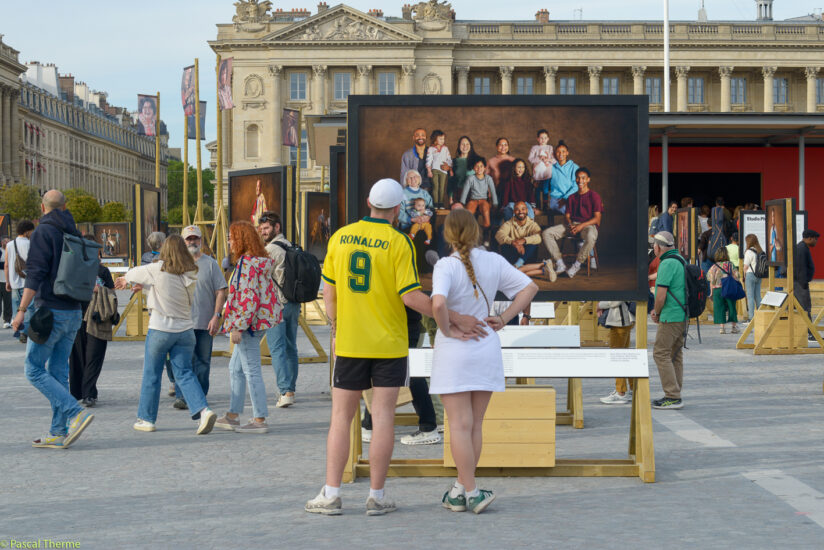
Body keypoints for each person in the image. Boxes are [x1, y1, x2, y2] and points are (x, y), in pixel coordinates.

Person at [305, 178, 486, 516]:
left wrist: (335, 326)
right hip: (389, 342)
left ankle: (331, 494)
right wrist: (452, 314)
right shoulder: (398, 241)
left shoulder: (340, 237)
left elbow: (328, 292)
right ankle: (377, 495)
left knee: (340, 418)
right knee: (384, 416)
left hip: (349, 342)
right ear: (396, 209)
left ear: (369, 203)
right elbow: (409, 296)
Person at [431, 208, 538, 514]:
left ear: (448, 235)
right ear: (476, 231)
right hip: (486, 346)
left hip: (454, 351)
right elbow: (531, 287)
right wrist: (504, 318)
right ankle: (460, 490)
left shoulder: (445, 266)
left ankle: (473, 491)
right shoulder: (493, 260)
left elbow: (438, 303)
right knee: (474, 425)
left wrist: (448, 327)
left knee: (459, 426)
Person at [12, 190, 94, 448]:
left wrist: (21, 310)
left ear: (42, 208)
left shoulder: (43, 232)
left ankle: (75, 412)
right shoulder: (73, 231)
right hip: (73, 312)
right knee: (58, 372)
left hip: (50, 311)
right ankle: (58, 431)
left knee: (33, 369)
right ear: (65, 207)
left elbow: (35, 273)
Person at [115, 234, 218, 435]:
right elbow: (167, 288)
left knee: (152, 374)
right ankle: (204, 411)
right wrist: (145, 286)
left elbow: (135, 272)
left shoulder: (157, 269)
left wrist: (124, 279)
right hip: (186, 331)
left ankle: (147, 418)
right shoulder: (191, 272)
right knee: (185, 373)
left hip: (161, 329)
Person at [214, 221, 280, 433]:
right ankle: (233, 414)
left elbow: (247, 299)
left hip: (247, 325)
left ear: (241, 240)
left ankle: (259, 419)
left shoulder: (246, 264)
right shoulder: (260, 261)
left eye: (232, 238)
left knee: (251, 371)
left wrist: (237, 326)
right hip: (258, 321)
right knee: (235, 368)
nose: (230, 243)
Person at [170, 226, 228, 409]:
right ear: (183, 241)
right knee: (181, 361)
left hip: (204, 323)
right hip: (181, 323)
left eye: (195, 238)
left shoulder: (210, 264)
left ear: (201, 241)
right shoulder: (175, 264)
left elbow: (221, 291)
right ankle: (182, 396)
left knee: (202, 361)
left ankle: (200, 395)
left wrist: (216, 316)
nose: (192, 242)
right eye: (188, 239)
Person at [259, 211, 301, 408]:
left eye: (267, 228)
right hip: (293, 303)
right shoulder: (291, 245)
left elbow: (261, 276)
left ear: (277, 227)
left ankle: (284, 391)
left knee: (277, 349)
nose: (264, 232)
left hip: (276, 304)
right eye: (262, 229)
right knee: (291, 346)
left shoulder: (270, 250)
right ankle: (290, 388)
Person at [69, 234, 115, 408]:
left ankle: (89, 393)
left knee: (93, 357)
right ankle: (78, 392)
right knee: (77, 356)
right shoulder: (73, 270)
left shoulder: (102, 271)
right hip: (77, 317)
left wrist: (100, 290)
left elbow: (111, 293)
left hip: (98, 318)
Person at [541, 167, 602, 280]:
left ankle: (576, 265)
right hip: (572, 225)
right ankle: (560, 263)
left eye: (583, 178)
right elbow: (567, 216)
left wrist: (580, 226)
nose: (580, 180)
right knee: (546, 233)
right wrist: (570, 225)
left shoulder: (594, 196)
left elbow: (597, 219)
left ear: (588, 179)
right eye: (578, 178)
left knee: (591, 236)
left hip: (587, 226)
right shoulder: (571, 197)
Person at [650, 231, 686, 410]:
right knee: (675, 354)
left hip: (670, 315)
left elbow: (661, 295)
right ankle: (676, 392)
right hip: (683, 315)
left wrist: (656, 312)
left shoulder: (666, 264)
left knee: (660, 353)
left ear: (657, 247)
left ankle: (672, 395)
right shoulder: (680, 260)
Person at [597, 301, 635, 404]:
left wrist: (599, 305)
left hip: (619, 321)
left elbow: (615, 301)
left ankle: (621, 392)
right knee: (625, 356)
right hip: (625, 320)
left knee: (617, 357)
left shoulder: (623, 284)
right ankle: (632, 389)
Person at [6, 220, 34, 343]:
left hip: (14, 282)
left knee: (16, 307)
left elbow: (7, 264)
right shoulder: (30, 244)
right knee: (29, 308)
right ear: (27, 231)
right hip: (28, 282)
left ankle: (18, 331)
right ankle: (25, 332)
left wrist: (8, 281)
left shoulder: (9, 244)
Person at [460, 157, 498, 246]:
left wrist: (495, 203)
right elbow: (465, 191)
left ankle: (486, 236)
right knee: (469, 212)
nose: (479, 168)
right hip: (473, 200)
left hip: (483, 200)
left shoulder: (488, 178)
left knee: (485, 210)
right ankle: (469, 237)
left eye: (481, 166)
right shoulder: (471, 178)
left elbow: (493, 191)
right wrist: (462, 202)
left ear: (485, 168)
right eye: (476, 166)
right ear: (473, 168)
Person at [495, 202, 541, 268]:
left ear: (527, 210)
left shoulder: (532, 224)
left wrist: (524, 240)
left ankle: (518, 264)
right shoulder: (509, 223)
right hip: (513, 255)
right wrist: (513, 242)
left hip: (527, 257)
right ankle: (518, 266)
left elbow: (539, 237)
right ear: (514, 211)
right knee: (504, 243)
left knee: (534, 243)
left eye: (523, 209)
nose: (520, 212)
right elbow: (499, 234)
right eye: (517, 210)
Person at [707, 248, 740, 334]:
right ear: (726, 254)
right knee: (732, 307)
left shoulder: (713, 267)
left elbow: (711, 281)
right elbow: (737, 276)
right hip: (728, 288)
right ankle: (734, 327)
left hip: (717, 290)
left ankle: (722, 328)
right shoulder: (730, 265)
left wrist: (711, 293)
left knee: (719, 308)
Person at [794, 229, 819, 341]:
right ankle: (809, 332)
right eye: (815, 239)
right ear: (809, 238)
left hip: (801, 283)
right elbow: (801, 268)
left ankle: (807, 331)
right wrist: (803, 283)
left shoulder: (803, 247)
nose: (816, 241)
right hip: (800, 284)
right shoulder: (802, 249)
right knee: (805, 308)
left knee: (803, 308)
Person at [546, 140, 579, 214]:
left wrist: (566, 198)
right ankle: (573, 225)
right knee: (570, 211)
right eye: (558, 152)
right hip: (556, 200)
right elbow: (545, 182)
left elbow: (576, 186)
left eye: (563, 151)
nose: (561, 154)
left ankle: (581, 225)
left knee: (583, 210)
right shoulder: (551, 167)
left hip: (571, 198)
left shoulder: (574, 167)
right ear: (555, 153)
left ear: (567, 153)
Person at [528, 129, 555, 206]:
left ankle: (545, 205)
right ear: (537, 139)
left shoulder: (550, 148)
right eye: (541, 138)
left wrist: (548, 159)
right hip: (537, 175)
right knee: (536, 190)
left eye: (545, 138)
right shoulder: (535, 148)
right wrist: (539, 158)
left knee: (545, 190)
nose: (543, 140)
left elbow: (554, 160)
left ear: (548, 139)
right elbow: (530, 159)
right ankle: (538, 205)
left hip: (547, 174)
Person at [426, 129, 453, 208]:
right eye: (440, 139)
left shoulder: (445, 149)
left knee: (442, 188)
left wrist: (450, 168)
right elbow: (429, 160)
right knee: (435, 187)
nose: (442, 141)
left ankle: (441, 203)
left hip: (443, 171)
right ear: (435, 139)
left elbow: (449, 159)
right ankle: (435, 203)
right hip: (434, 170)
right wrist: (429, 170)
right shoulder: (431, 149)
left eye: (443, 139)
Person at [448, 136, 478, 204]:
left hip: (473, 194)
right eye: (462, 144)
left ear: (470, 146)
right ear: (459, 146)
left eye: (467, 144)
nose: (465, 146)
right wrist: (450, 197)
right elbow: (451, 182)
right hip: (458, 193)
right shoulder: (453, 161)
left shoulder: (476, 161)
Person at [486, 137, 515, 205]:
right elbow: (486, 180)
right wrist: (490, 195)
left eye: (505, 145)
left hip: (511, 193)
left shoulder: (513, 160)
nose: (503, 147)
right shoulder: (490, 161)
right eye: (501, 145)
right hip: (496, 193)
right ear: (496, 146)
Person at [742, 234, 764, 319]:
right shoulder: (759, 251)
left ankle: (751, 318)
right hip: (758, 275)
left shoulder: (749, 252)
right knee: (758, 296)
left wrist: (744, 276)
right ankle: (760, 316)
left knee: (750, 297)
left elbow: (745, 267)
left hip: (750, 275)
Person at [0, 237, 10, 328]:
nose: (6, 242)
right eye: (5, 241)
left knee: (8, 302)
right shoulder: (0, 251)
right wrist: (6, 264)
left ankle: (7, 320)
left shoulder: (11, 251)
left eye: (8, 241)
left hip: (7, 280)